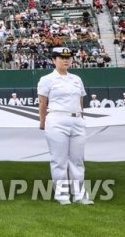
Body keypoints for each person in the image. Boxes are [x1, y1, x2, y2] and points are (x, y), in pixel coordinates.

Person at [37, 47, 93, 205]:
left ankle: (79, 195)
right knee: (59, 160)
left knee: (78, 160)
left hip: (77, 120)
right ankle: (62, 195)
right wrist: (43, 122)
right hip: (56, 119)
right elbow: (42, 103)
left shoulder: (76, 79)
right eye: (61, 57)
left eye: (68, 57)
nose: (66, 60)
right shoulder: (47, 79)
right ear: (53, 60)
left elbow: (80, 101)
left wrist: (81, 118)